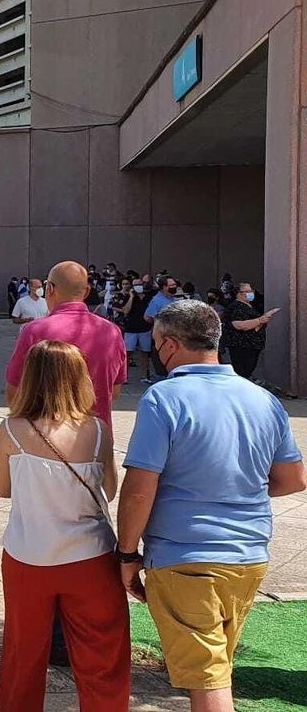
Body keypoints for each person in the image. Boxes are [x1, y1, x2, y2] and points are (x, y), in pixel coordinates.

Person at [116, 301, 304, 711]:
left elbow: (139, 490)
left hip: (185, 556)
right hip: (249, 556)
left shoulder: (163, 397)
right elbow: (293, 479)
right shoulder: (263, 400)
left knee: (209, 681)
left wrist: (127, 554)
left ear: (168, 344)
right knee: (215, 668)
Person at [0, 340, 128, 711]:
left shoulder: (11, 430)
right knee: (102, 653)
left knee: (24, 652)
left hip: (28, 554)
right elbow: (111, 489)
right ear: (79, 378)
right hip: (90, 556)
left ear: (31, 379)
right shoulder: (98, 430)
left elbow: (1, 489)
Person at [5, 261, 127, 436]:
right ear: (86, 292)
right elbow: (113, 392)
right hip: (96, 439)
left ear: (50, 289)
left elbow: (14, 392)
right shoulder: (112, 332)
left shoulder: (34, 331)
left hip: (46, 438)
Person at [220, 282, 276, 380]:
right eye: (248, 291)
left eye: (251, 291)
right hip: (242, 345)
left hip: (251, 345)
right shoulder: (237, 307)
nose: (251, 293)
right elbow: (239, 325)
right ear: (239, 293)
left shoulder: (248, 306)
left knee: (247, 370)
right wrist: (259, 320)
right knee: (242, 371)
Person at [142, 276, 183, 384]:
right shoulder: (157, 300)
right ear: (164, 287)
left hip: (177, 335)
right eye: (171, 286)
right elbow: (147, 317)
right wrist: (160, 324)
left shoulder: (175, 298)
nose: (174, 287)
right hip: (163, 337)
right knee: (162, 367)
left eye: (175, 285)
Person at [120, 275, 154, 377]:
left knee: (145, 353)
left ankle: (144, 375)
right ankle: (124, 376)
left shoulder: (149, 297)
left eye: (140, 284)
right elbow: (126, 311)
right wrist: (131, 297)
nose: (138, 286)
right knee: (128, 353)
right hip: (131, 329)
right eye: (135, 285)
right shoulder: (128, 297)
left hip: (145, 329)